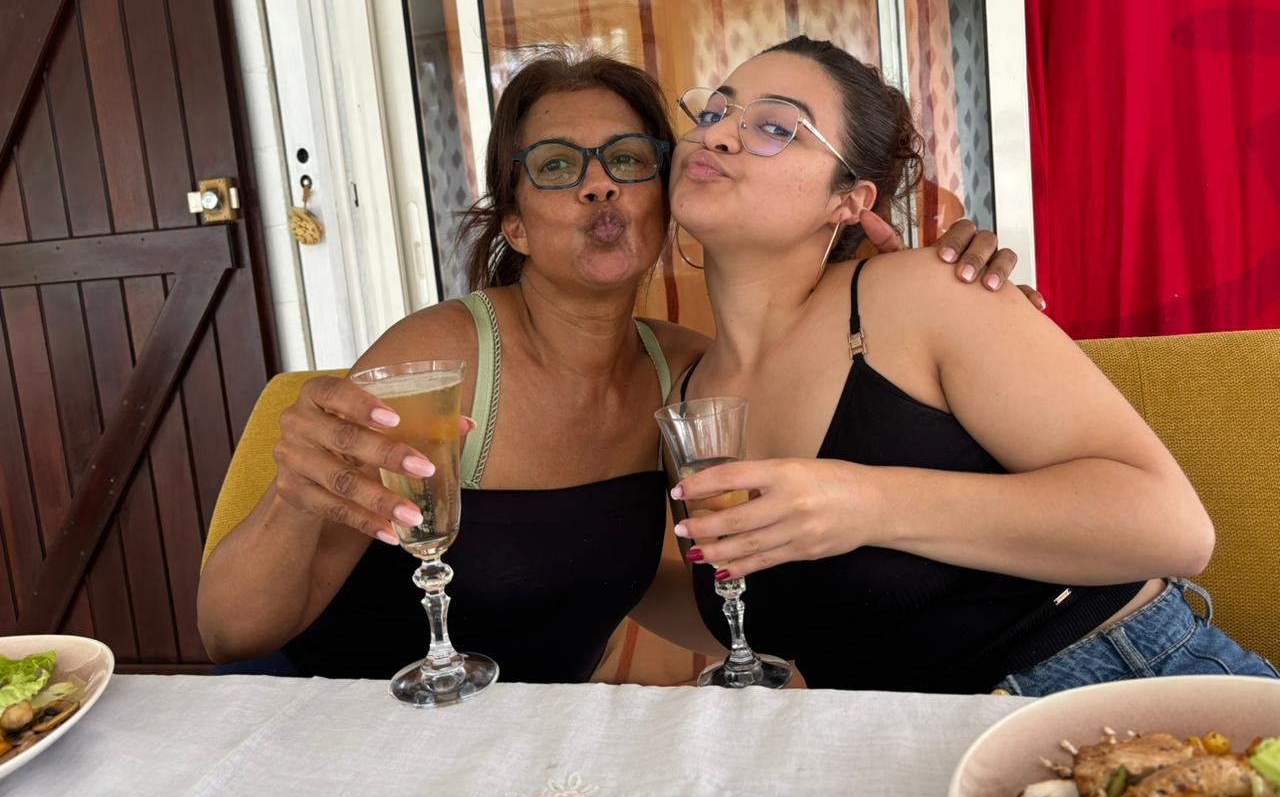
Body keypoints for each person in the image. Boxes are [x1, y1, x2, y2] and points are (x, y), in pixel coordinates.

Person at [197, 47, 1022, 682]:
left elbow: (649, 574)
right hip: (340, 714)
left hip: (534, 741)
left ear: (664, 202)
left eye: (628, 159)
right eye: (557, 166)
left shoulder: (688, 374)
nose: (599, 187)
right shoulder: (441, 360)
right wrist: (294, 493)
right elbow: (232, 634)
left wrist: (944, 297)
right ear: (515, 225)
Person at [667, 35, 1277, 695]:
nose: (717, 133)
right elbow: (746, 609)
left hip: (1116, 680)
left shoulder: (923, 291)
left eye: (775, 127)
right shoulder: (690, 402)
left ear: (849, 201)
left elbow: (1175, 528)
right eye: (714, 112)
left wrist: (863, 502)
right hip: (909, 736)